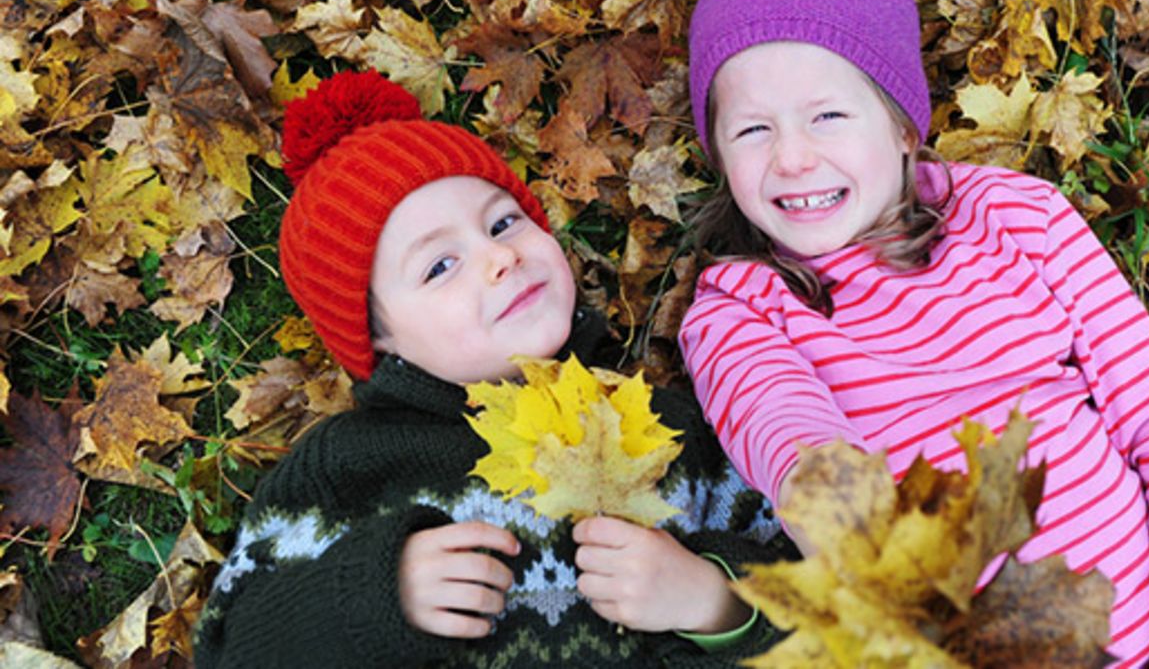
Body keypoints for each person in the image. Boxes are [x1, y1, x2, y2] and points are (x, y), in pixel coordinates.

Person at [676, 0, 1149, 667]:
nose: (792, 157)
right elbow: (784, 428)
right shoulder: (740, 309)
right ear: (718, 155)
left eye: (827, 116)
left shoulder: (1014, 216)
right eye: (752, 129)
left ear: (901, 126)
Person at [194, 70, 792, 668]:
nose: (501, 257)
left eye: (503, 223)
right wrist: (371, 595)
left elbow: (829, 600)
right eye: (440, 266)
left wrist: (714, 603)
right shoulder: (345, 466)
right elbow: (230, 650)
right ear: (379, 338)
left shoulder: (665, 428)